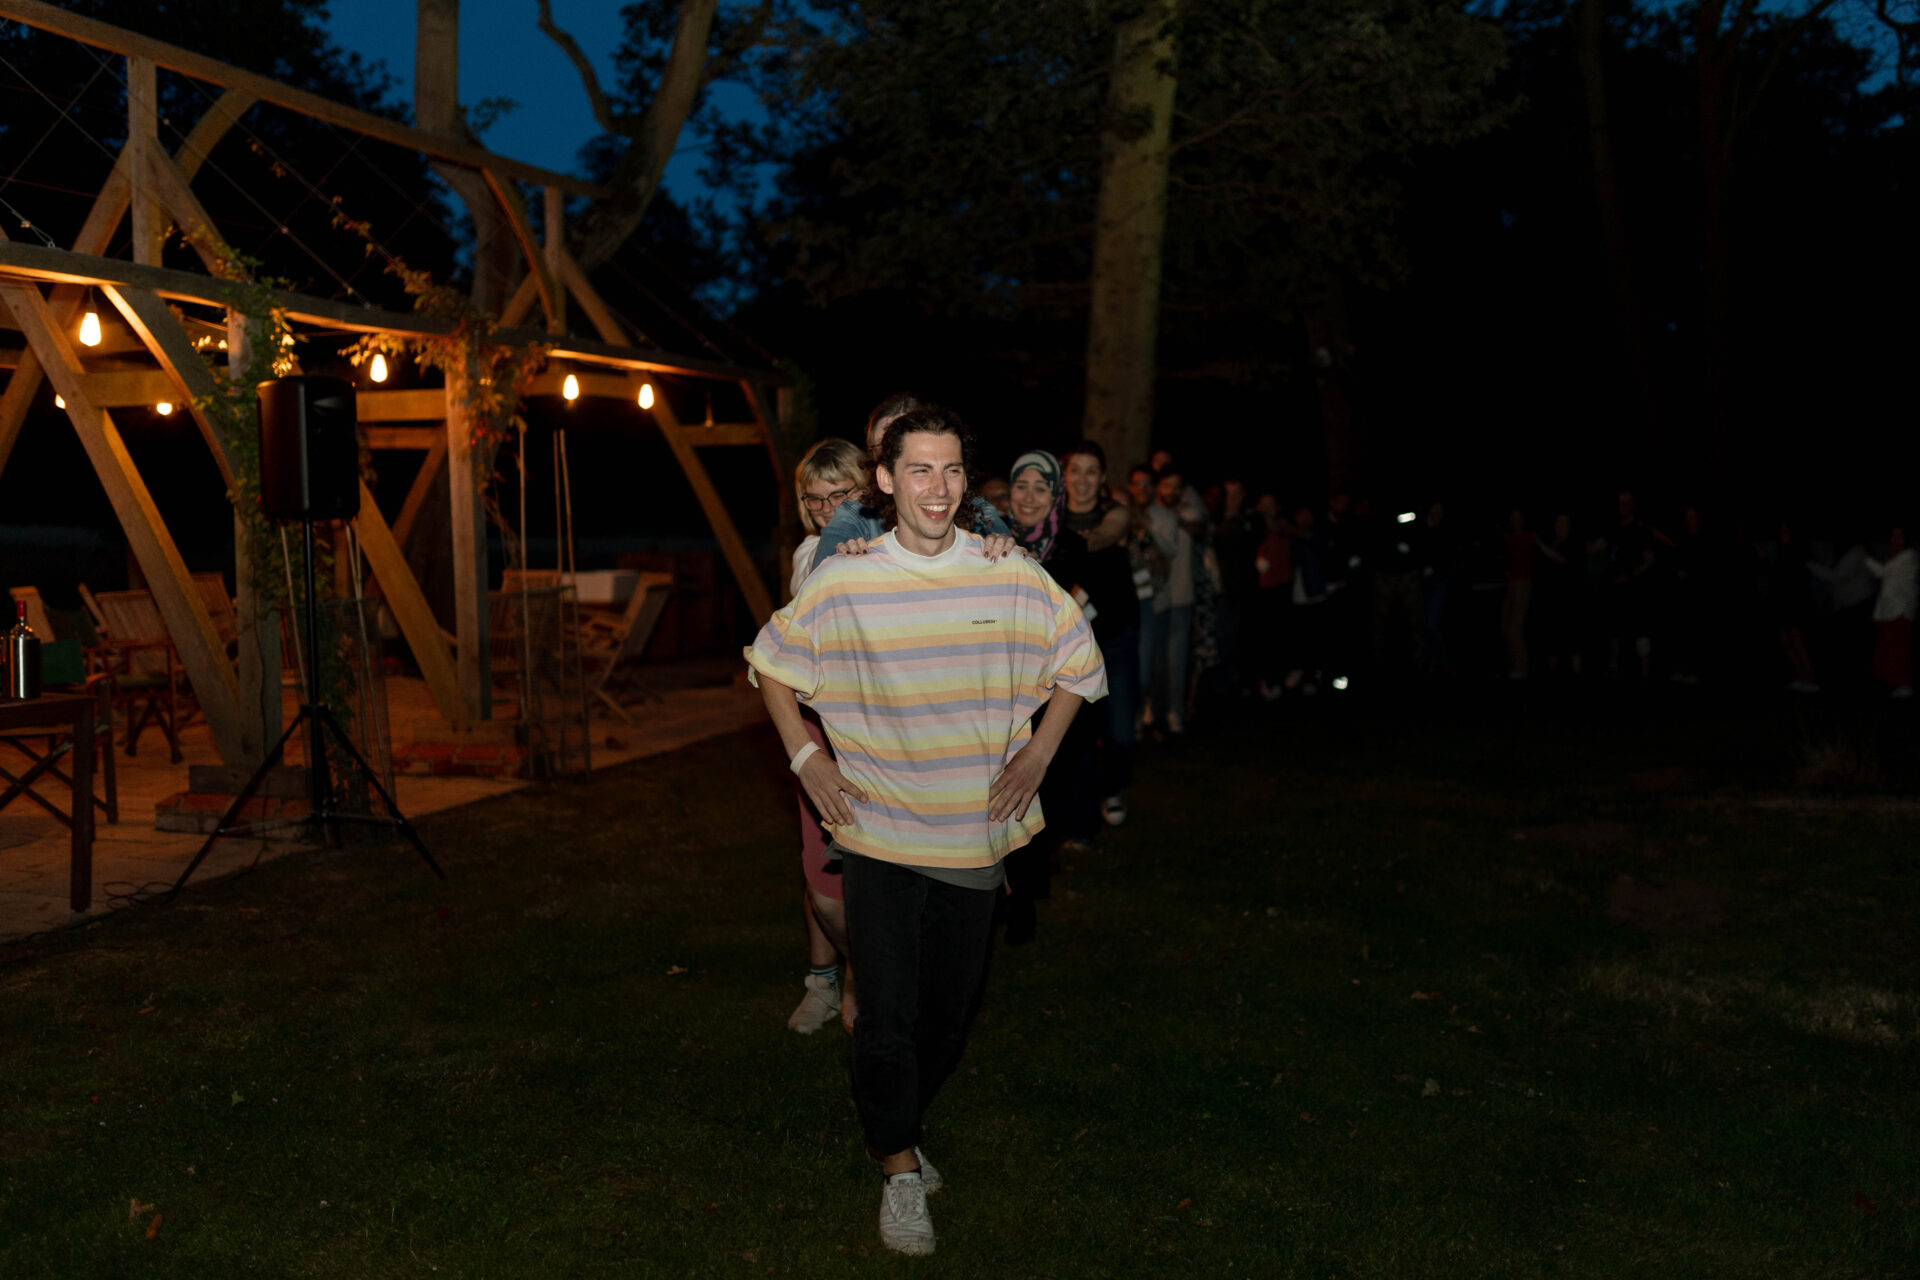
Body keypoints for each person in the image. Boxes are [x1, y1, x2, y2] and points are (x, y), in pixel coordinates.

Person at [747, 406, 1107, 1256]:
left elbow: (1078, 660)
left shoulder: (1007, 572)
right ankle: (900, 1166)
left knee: (948, 1018)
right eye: (918, 471)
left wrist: (1038, 759)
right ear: (885, 480)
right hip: (875, 832)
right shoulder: (847, 578)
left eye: (950, 472)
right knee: (887, 1018)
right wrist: (808, 762)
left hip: (973, 838)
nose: (937, 489)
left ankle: (897, 1124)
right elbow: (771, 664)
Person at [784, 438, 867, 1034]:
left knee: (873, 869)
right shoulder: (811, 554)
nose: (828, 510)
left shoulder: (894, 548)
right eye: (816, 500)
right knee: (824, 879)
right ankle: (839, 973)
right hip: (819, 729)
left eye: (841, 495)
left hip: (878, 729)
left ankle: (857, 977)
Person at [809, 393, 1011, 571]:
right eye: (882, 447)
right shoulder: (855, 515)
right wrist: (839, 565)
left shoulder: (972, 509)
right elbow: (819, 590)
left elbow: (1013, 571)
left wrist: (1003, 547)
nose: (890, 455)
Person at [1057, 443, 1139, 826]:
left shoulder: (1115, 514)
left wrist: (1053, 542)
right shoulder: (1051, 516)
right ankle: (1082, 815)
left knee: (1121, 732)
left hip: (1114, 637)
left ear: (1103, 478)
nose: (1083, 479)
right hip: (1070, 644)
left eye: (1092, 471)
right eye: (1077, 470)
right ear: (1065, 474)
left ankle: (1114, 785)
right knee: (1078, 735)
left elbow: (1104, 537)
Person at [1145, 469, 1199, 733]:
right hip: (1157, 599)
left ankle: (1174, 713)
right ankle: (1152, 710)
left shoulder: (1190, 511)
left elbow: (1201, 529)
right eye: (1166, 486)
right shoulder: (1147, 515)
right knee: (1155, 661)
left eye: (1176, 486)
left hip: (1183, 596)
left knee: (1177, 661)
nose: (1171, 491)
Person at [1866, 526, 1916, 698]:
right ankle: (1896, 684)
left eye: (1899, 537)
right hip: (1890, 609)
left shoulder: (1909, 555)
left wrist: (1864, 557)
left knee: (1899, 650)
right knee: (1890, 650)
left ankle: (1904, 684)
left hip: (1899, 609)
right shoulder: (1896, 556)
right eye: (1893, 536)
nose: (1894, 540)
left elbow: (1881, 572)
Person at [1501, 508, 1538, 680]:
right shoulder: (1508, 539)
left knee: (1516, 625)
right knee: (1504, 625)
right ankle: (1511, 664)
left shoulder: (1529, 536)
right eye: (1512, 517)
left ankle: (1522, 667)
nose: (1515, 520)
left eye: (1518, 517)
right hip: (1511, 583)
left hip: (1524, 581)